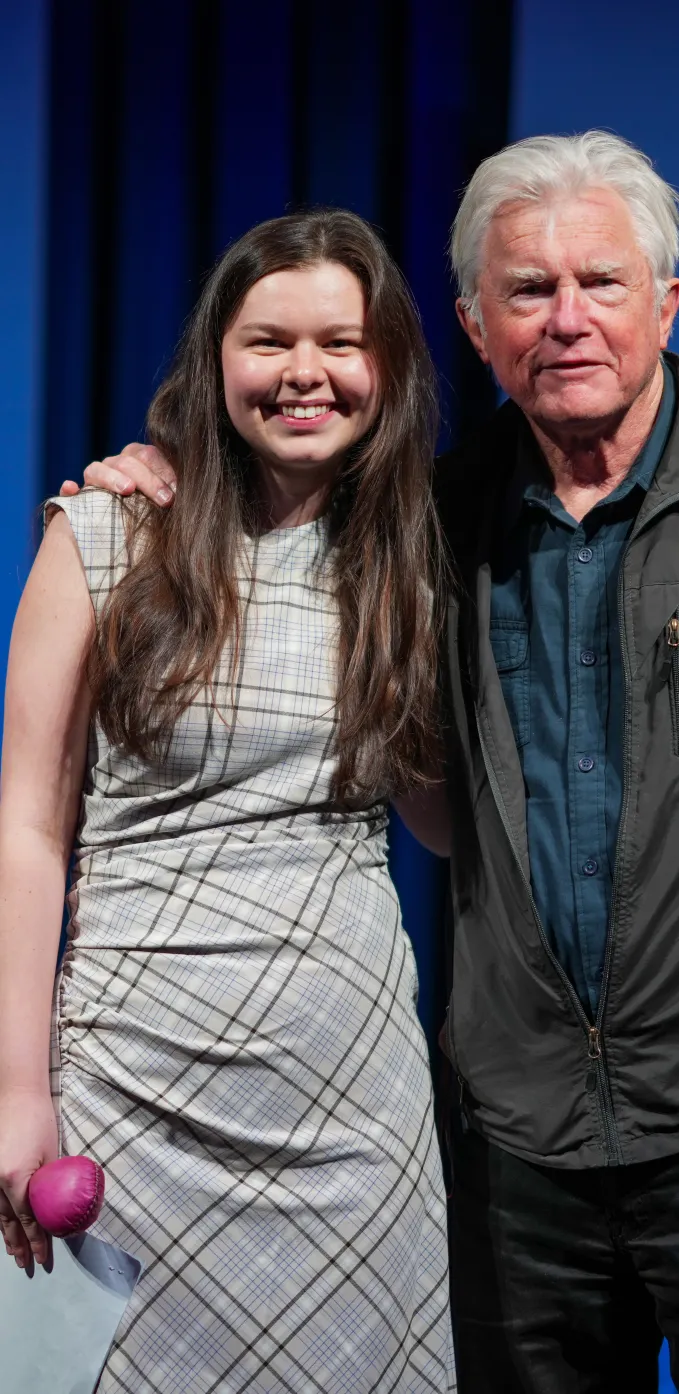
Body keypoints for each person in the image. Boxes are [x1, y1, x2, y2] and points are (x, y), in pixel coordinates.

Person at [65, 132, 679, 1393]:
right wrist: (159, 477)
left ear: (666, 301)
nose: (567, 319)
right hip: (517, 1169)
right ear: (472, 324)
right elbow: (274, 486)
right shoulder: (423, 516)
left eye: (602, 283)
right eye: (528, 291)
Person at [0, 210, 456, 1393]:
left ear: (389, 369)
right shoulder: (107, 534)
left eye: (340, 343)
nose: (304, 371)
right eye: (268, 341)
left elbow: (443, 821)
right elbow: (28, 830)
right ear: (216, 361)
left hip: (350, 1100)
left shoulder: (410, 560)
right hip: (130, 1088)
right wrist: (15, 1092)